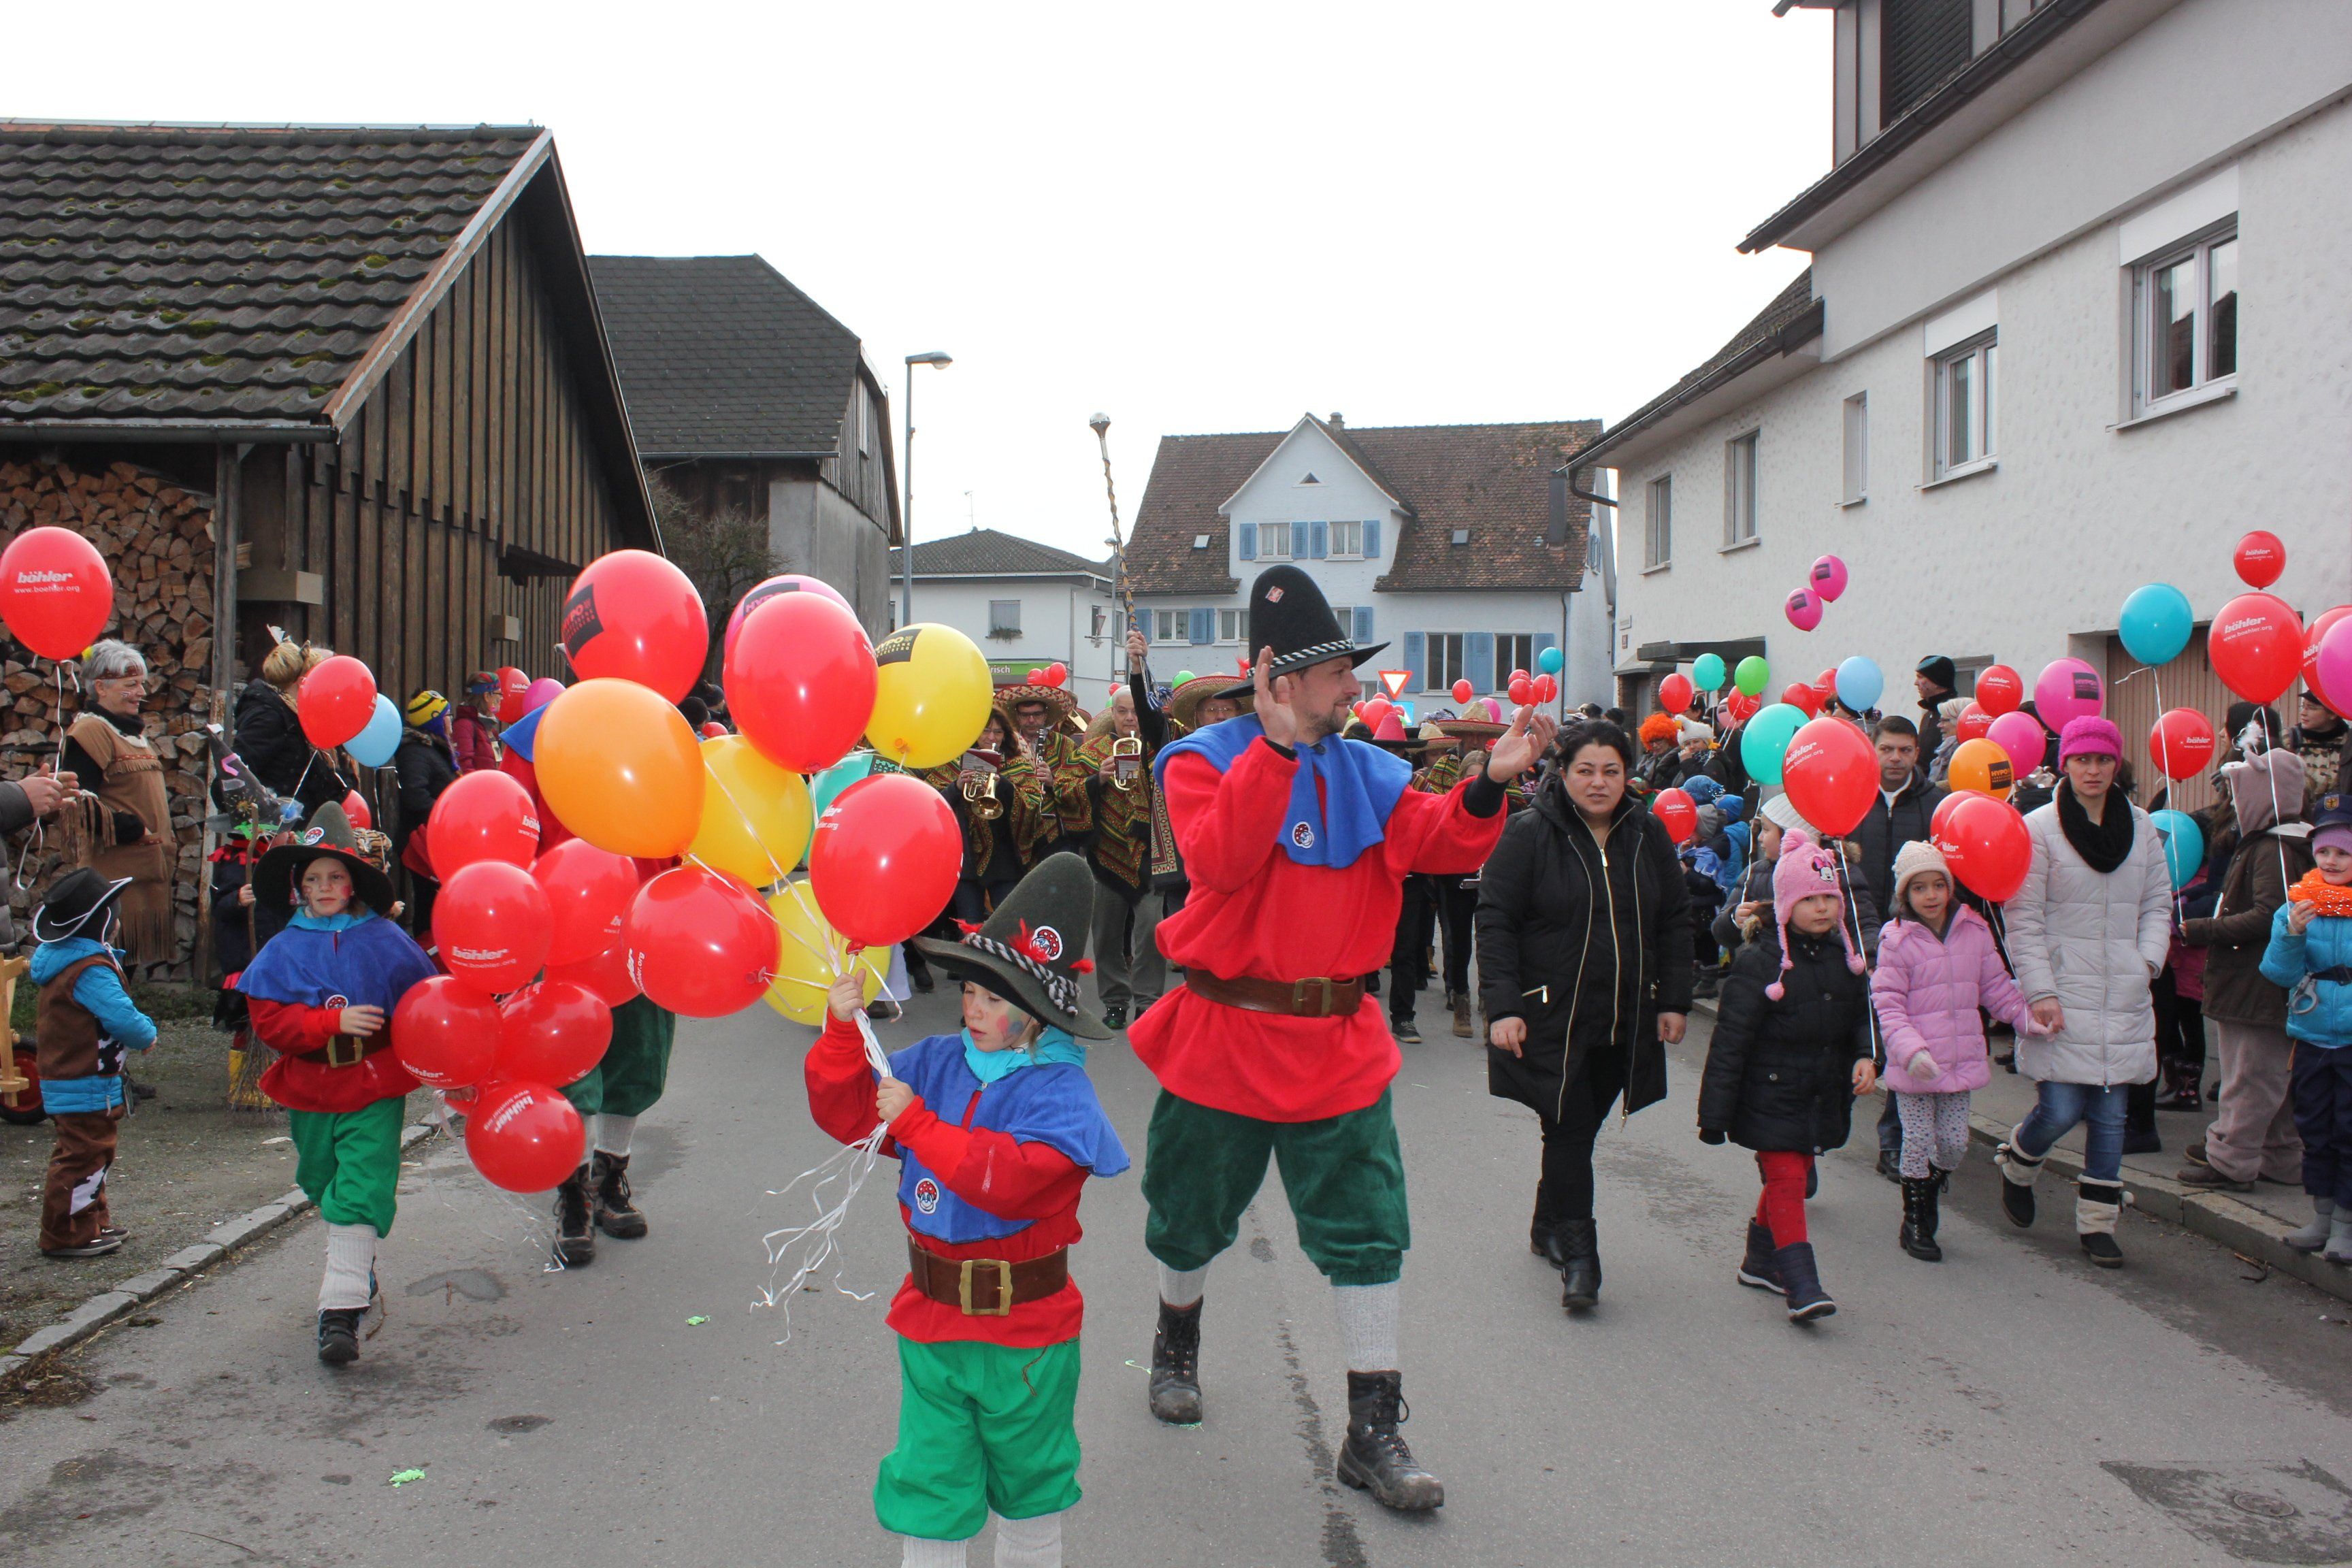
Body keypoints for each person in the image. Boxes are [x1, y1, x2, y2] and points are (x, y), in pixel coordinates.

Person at [1132, 565, 1548, 1514]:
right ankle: (1175, 1340)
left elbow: (1440, 840)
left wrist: (1489, 782)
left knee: (1368, 1229)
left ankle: (1371, 1431)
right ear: (1282, 680)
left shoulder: (1369, 768)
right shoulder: (1198, 762)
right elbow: (1219, 863)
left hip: (1337, 1043)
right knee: (1189, 1209)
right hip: (1226, 1034)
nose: (1355, 688)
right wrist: (1275, 752)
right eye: (1338, 675)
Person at [804, 853, 1127, 1568]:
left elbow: (1008, 1181)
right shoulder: (936, 1062)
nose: (973, 1009)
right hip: (932, 1323)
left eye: (993, 998)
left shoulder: (1063, 1096)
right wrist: (840, 1034)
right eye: (970, 991)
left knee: (1032, 1495)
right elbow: (852, 1117)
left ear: (1037, 1014)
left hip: (1028, 1336)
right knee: (930, 1493)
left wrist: (919, 1125)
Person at [1477, 719, 1691, 1311]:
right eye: (1586, 770)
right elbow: (1495, 920)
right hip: (1554, 1015)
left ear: (1628, 775)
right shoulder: (1530, 833)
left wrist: (1674, 999)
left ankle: (1547, 1221)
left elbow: (1674, 919)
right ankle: (1581, 1258)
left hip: (1624, 1015)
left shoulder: (1647, 834)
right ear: (1563, 773)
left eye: (1611, 771)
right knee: (1567, 1130)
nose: (1599, 783)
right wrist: (1503, 1006)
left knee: (1578, 1129)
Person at [235, 803, 438, 1363]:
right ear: (299, 888)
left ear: (353, 885)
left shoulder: (386, 940)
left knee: (362, 1182)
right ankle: (357, 1264)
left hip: (374, 1082)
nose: (324, 887)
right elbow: (270, 1024)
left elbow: (425, 1008)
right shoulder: (283, 948)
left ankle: (339, 1311)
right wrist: (329, 1023)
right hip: (312, 1085)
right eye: (313, 879)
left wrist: (448, 1070)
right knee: (322, 1179)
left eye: (335, 877)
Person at [1995, 717, 2173, 1268]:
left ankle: (2098, 1224)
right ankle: (2019, 1163)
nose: (2093, 770)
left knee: (2112, 1113)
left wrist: (2146, 961)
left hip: (2122, 988)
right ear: (2065, 764)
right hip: (2063, 987)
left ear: (2116, 764)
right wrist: (2040, 989)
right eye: (2081, 760)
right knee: (2061, 1108)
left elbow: (2158, 903)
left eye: (2103, 760)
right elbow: (2023, 917)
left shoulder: (2141, 826)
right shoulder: (2040, 827)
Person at [1697, 831, 1874, 1322]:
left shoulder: (1844, 959)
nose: (1821, 908)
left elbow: (1862, 1016)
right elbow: (1730, 1041)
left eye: (1828, 898)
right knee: (1790, 1179)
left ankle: (1759, 1263)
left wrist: (1866, 1055)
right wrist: (1714, 1115)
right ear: (1786, 905)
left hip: (1819, 1091)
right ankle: (1801, 1282)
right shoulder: (1761, 963)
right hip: (1769, 1092)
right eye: (1809, 899)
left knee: (1787, 1178)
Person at [1871, 843, 2040, 1261]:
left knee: (1953, 1144)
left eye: (1938, 885)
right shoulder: (1897, 940)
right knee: (1917, 1140)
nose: (1931, 896)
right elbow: (1888, 1004)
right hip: (1916, 1064)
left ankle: (1929, 1189)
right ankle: (1915, 1218)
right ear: (1905, 895)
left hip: (1960, 1060)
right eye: (1919, 888)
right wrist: (1910, 1052)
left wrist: (2026, 1018)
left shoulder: (1975, 930)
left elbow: (1996, 987)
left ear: (1950, 887)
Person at [2176, 747, 2312, 1191]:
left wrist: (2200, 929)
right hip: (2262, 981)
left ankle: (2231, 1161)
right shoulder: (2283, 841)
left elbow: (2267, 915)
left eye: (2241, 793)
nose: (2234, 803)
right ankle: (2280, 1157)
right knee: (2270, 1077)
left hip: (2255, 981)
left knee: (2249, 1078)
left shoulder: (2273, 847)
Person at [33, 869, 159, 1258]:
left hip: (77, 1077)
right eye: (115, 915)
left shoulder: (67, 960)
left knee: (93, 1153)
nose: (119, 921)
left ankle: (91, 1222)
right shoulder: (89, 970)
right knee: (83, 1155)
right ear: (101, 922)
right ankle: (66, 1234)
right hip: (84, 1079)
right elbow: (121, 1016)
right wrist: (147, 1035)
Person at [1852, 715, 1948, 1174]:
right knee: (1848, 1035)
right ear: (1873, 749)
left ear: (1917, 753)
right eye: (1887, 749)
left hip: (1914, 939)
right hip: (1853, 934)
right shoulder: (1850, 796)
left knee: (1903, 1038)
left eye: (1905, 750)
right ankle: (1815, 1132)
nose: (1895, 759)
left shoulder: (1936, 804)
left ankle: (1895, 1141)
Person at [2260, 790, 2352, 1262]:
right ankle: (2321, 1216)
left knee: (2349, 1131)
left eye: (2343, 852)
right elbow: (2278, 973)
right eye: (2324, 851)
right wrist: (2292, 934)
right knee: (2314, 1129)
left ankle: (2346, 1225)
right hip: (2313, 1035)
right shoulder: (2297, 904)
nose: (2332, 861)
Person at [61, 640, 177, 968]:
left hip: (145, 867)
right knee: (108, 960)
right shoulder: (90, 731)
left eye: (141, 684)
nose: (141, 692)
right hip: (116, 868)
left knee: (125, 964)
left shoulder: (129, 732)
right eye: (132, 685)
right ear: (101, 687)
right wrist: (133, 828)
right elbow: (79, 801)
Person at [1078, 685, 1164, 1031]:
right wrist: (1096, 779)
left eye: (1136, 712)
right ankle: (1114, 1002)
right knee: (1106, 936)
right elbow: (1066, 791)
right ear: (1112, 714)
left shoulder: (1160, 748)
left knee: (1150, 932)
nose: (1130, 718)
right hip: (1106, 856)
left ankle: (1148, 1003)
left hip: (1150, 856)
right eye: (1123, 711)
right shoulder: (1093, 750)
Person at [924, 704, 1045, 927]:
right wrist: (956, 787)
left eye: (998, 732)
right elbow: (930, 804)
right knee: (969, 928)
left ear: (1005, 736)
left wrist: (1004, 786)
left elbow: (1033, 805)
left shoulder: (1017, 764)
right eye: (986, 731)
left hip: (1005, 863)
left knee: (1008, 926)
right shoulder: (953, 762)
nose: (992, 738)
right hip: (966, 863)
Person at [998, 683, 1092, 864]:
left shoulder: (1065, 745)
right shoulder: (1007, 744)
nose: (1031, 720)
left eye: (1037, 714)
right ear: (1017, 716)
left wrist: (1052, 781)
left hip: (1057, 831)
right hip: (1015, 829)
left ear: (1046, 715)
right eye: (1025, 715)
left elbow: (1081, 786)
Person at [392, 689, 459, 936]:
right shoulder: (415, 751)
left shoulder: (434, 749)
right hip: (420, 840)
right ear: (435, 720)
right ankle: (425, 946)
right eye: (447, 715)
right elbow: (415, 796)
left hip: (434, 837)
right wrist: (447, 813)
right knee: (427, 900)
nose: (451, 721)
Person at [2288, 691, 2349, 798]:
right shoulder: (2289, 739)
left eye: (2311, 708)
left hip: (2339, 807)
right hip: (2300, 808)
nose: (2303, 713)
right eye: (2303, 706)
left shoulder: (2348, 742)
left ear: (2333, 713)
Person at [451, 672, 500, 774]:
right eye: (499, 694)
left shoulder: (489, 729)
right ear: (487, 696)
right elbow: (464, 767)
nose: (501, 699)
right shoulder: (464, 726)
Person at [1914, 656, 1958, 762]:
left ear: (1937, 681)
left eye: (1920, 677)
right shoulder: (1929, 714)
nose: (1916, 683)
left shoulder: (1955, 713)